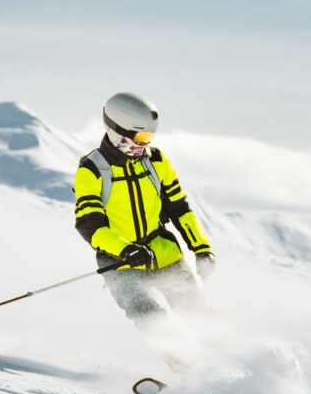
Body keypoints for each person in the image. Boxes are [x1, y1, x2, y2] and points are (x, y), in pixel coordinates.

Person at [73, 92, 215, 327]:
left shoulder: (156, 161)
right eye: (140, 136)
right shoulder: (92, 170)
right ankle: (187, 362)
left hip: (163, 253)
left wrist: (201, 248)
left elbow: (180, 209)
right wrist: (126, 249)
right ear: (117, 131)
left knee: (195, 310)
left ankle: (239, 356)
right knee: (149, 314)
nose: (145, 143)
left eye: (149, 136)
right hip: (120, 263)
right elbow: (90, 224)